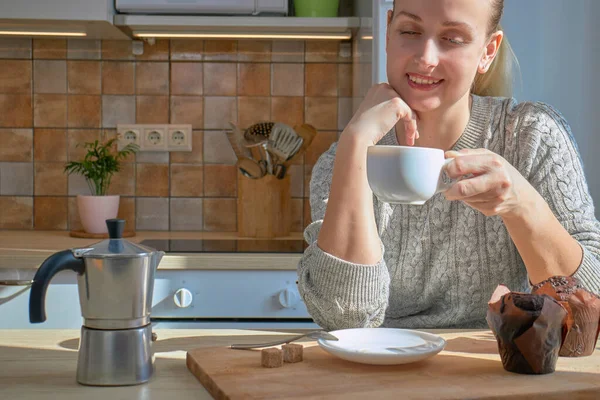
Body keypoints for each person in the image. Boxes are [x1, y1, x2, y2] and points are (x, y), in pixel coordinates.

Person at [296, 0, 600, 330]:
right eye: (410, 31)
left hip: (496, 375)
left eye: (452, 39)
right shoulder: (342, 161)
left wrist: (522, 207)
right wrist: (356, 142)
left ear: (487, 51)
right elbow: (343, 320)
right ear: (388, 30)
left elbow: (589, 309)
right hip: (381, 377)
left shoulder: (532, 136)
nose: (425, 58)